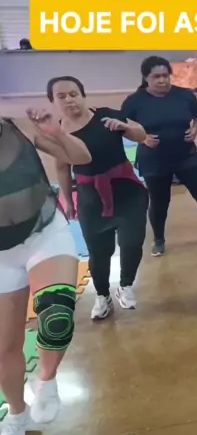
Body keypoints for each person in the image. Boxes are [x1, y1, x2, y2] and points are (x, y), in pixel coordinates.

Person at [0, 108, 92, 435]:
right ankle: (18, 415)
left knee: (56, 315)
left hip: (44, 233)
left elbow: (82, 157)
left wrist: (57, 133)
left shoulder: (20, 127)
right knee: (4, 348)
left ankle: (47, 380)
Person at [49, 76, 149, 319]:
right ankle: (103, 295)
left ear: (83, 96)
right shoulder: (58, 133)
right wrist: (68, 202)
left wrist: (124, 127)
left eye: (73, 94)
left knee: (132, 242)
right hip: (90, 198)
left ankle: (125, 285)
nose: (69, 100)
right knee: (98, 252)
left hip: (127, 191)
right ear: (53, 102)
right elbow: (62, 168)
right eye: (61, 96)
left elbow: (141, 135)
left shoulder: (105, 116)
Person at [121, 56, 197, 257]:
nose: (162, 80)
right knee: (159, 202)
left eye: (165, 75)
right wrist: (142, 138)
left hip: (186, 156)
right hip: (153, 160)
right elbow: (123, 126)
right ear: (146, 78)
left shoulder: (184, 95)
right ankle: (158, 239)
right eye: (156, 77)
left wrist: (195, 130)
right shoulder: (135, 101)